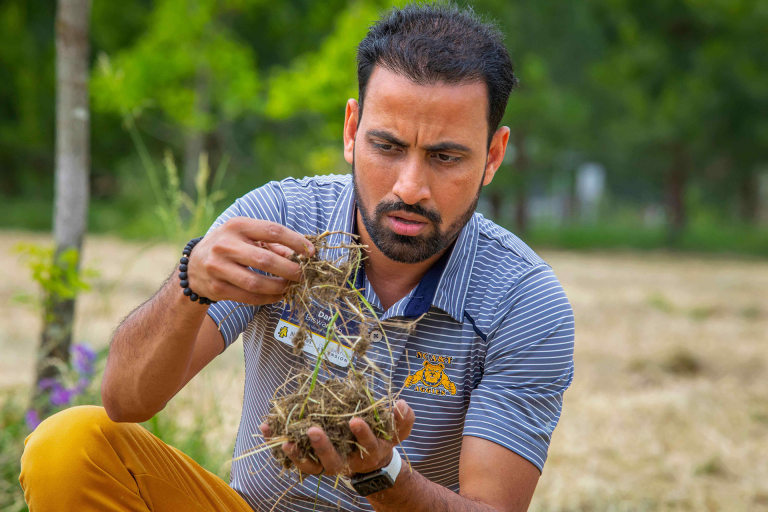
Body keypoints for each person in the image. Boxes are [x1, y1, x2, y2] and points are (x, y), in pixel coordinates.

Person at [20, 3, 574, 511]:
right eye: (387, 146)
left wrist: (383, 471)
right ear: (352, 131)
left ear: (493, 155)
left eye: (445, 157)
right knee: (70, 446)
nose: (410, 187)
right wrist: (191, 281)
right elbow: (126, 399)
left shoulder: (523, 301)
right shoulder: (279, 223)